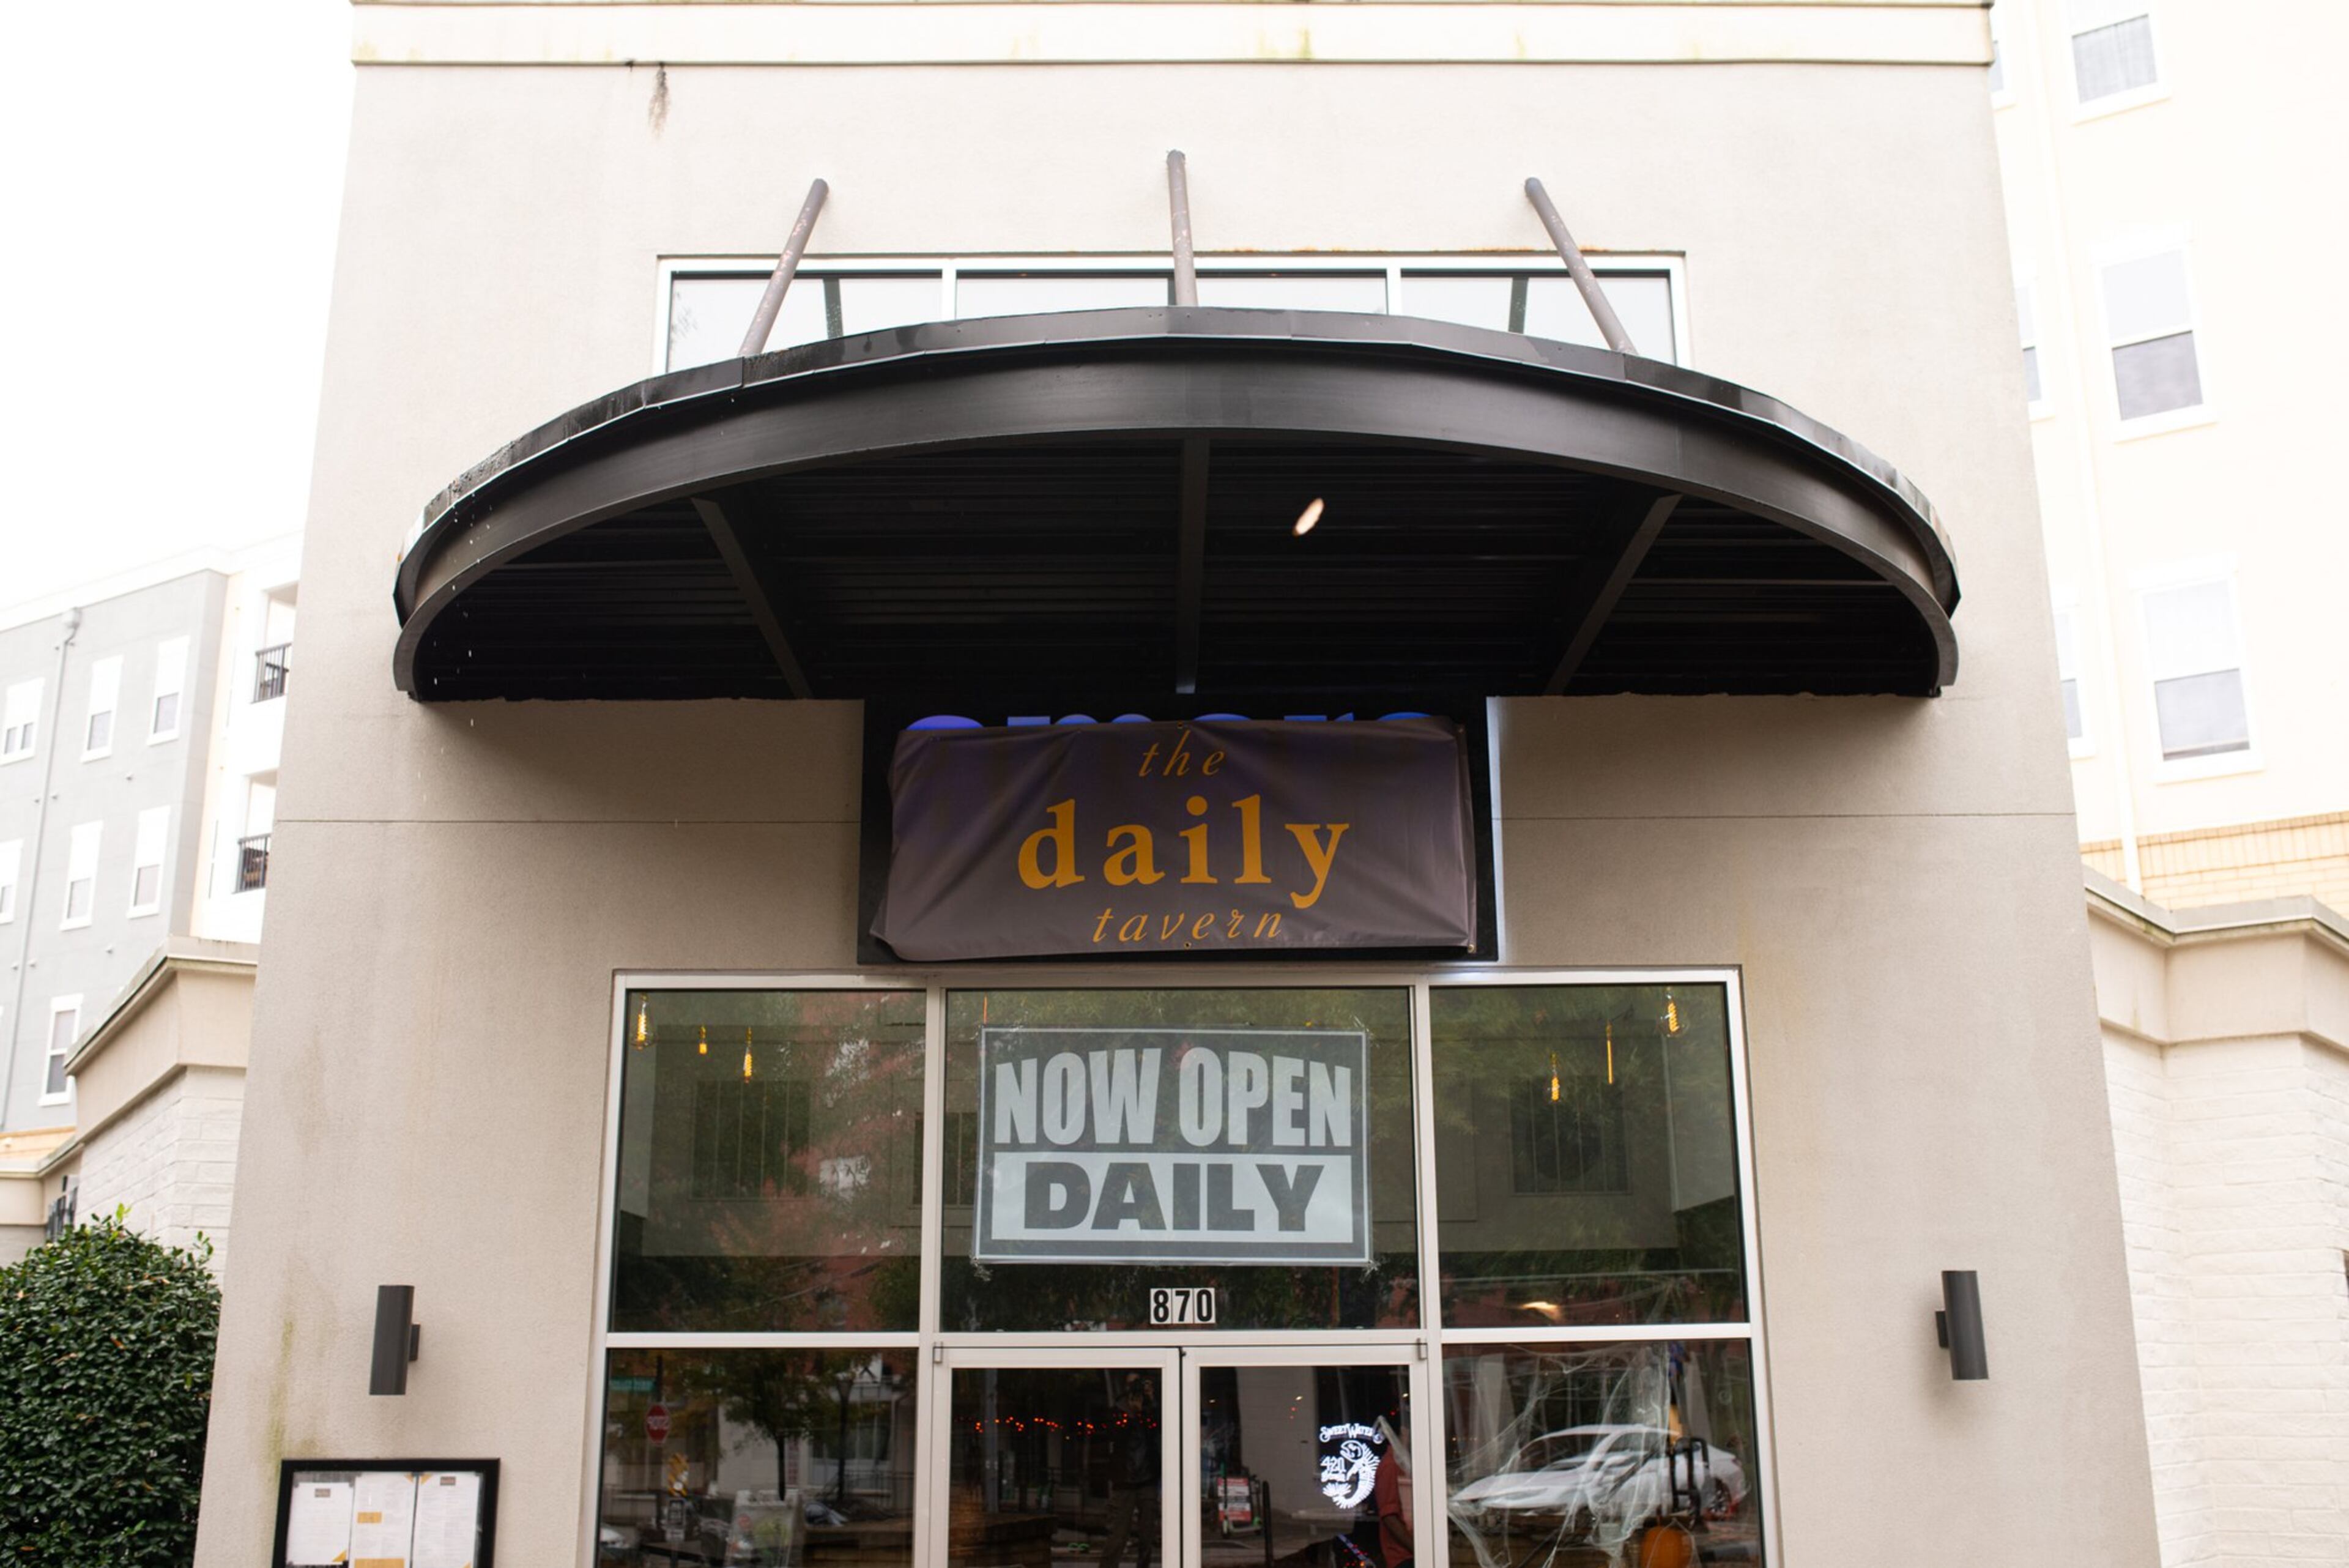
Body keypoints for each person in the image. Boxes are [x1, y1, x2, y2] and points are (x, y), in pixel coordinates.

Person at [1101, 1375, 1162, 1568]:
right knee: (1118, 1534)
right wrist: (1132, 1415)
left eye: (1140, 1384)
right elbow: (1114, 1436)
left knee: (1147, 1534)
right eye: (1133, 1384)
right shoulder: (1119, 1409)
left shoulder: (1149, 1410)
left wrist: (1151, 1403)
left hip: (1148, 1478)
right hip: (1124, 1479)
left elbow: (1158, 1429)